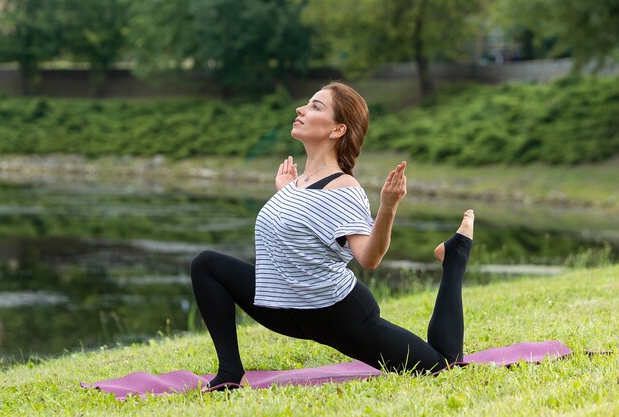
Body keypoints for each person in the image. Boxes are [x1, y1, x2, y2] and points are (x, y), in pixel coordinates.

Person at [190, 81, 474, 391]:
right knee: (207, 265)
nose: (301, 109)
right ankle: (230, 372)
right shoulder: (298, 183)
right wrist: (285, 192)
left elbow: (369, 258)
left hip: (338, 316)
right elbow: (301, 229)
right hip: (285, 310)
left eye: (315, 106)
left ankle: (455, 256)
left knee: (441, 365)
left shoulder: (344, 189)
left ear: (337, 130)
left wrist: (388, 207)